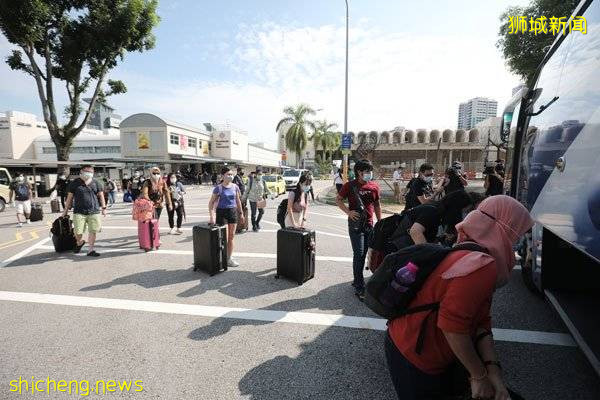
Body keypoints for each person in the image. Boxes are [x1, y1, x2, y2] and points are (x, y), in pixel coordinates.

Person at [385, 195, 533, 400]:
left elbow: (480, 321)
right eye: (518, 231)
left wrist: (492, 370)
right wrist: (479, 376)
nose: (518, 241)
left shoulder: (471, 249)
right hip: (414, 353)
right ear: (504, 227)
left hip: (426, 347)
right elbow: (452, 326)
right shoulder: (481, 264)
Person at [336, 159, 382, 300]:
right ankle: (359, 285)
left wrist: (380, 221)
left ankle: (357, 280)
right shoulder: (350, 186)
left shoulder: (374, 186)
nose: (369, 174)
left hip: (370, 225)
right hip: (356, 225)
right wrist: (349, 212)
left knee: (370, 253)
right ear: (359, 172)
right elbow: (338, 199)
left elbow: (377, 204)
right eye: (366, 171)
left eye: (370, 171)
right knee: (359, 254)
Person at [390, 191, 480, 250]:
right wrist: (428, 254)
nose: (463, 214)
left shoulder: (439, 214)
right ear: (455, 208)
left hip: (405, 248)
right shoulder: (432, 211)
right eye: (463, 210)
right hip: (397, 249)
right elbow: (415, 232)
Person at [63, 165, 106, 257]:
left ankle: (90, 250)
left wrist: (104, 208)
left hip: (94, 211)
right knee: (78, 232)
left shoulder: (96, 183)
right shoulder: (74, 183)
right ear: (81, 171)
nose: (89, 173)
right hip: (79, 211)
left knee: (93, 231)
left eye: (91, 172)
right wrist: (65, 211)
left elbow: (101, 195)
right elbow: (69, 198)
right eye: (87, 171)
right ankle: (80, 242)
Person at [209, 167, 245, 267]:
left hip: (232, 212)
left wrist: (241, 214)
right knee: (223, 237)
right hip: (221, 213)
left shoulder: (235, 186)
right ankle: (221, 257)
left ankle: (229, 258)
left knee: (231, 237)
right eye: (228, 174)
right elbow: (211, 203)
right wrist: (212, 216)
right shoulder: (218, 188)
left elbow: (238, 201)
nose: (230, 176)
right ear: (222, 176)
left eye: (231, 174)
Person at [243, 167, 272, 232]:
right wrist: (243, 198)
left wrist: (272, 194)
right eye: (259, 174)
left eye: (261, 174)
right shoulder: (251, 181)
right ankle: (254, 226)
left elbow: (267, 189)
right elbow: (247, 190)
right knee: (253, 214)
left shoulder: (263, 181)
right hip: (252, 199)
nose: (260, 175)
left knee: (262, 212)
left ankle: (257, 222)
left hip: (260, 199)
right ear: (255, 174)